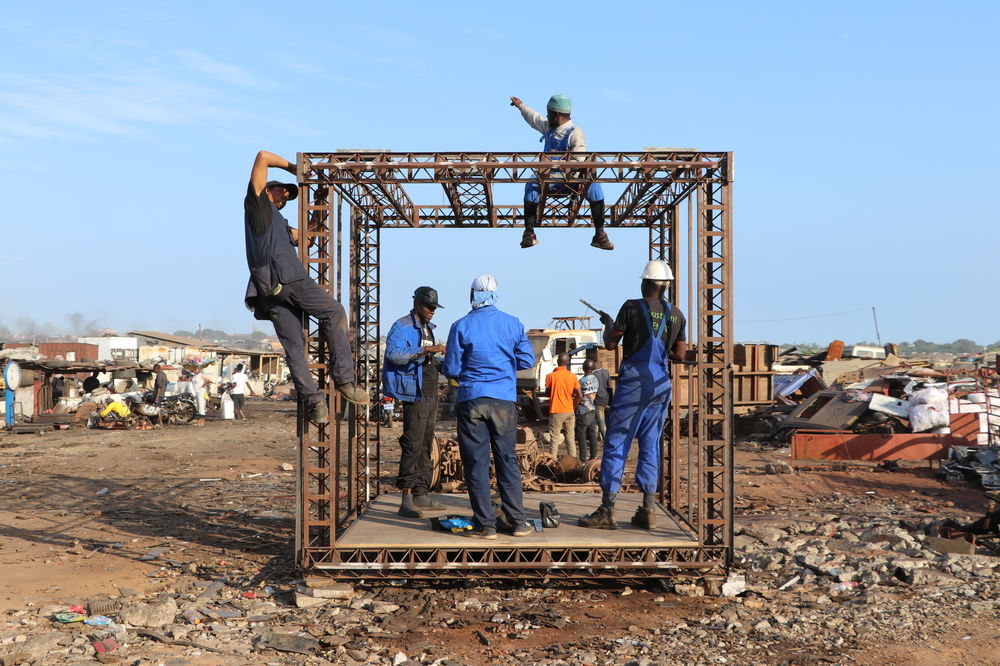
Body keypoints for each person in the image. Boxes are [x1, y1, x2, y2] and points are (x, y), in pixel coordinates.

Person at [242, 150, 369, 427]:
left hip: (270, 292)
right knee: (334, 313)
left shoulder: (281, 226)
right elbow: (262, 156)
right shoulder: (258, 206)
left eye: (289, 194)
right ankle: (345, 380)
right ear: (268, 189)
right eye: (282, 191)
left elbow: (307, 238)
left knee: (295, 349)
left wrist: (319, 202)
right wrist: (295, 171)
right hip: (288, 279)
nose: (286, 195)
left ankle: (314, 401)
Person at [579, 260, 687, 530]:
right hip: (661, 387)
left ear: (646, 283)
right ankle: (648, 510)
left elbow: (611, 342)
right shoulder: (676, 314)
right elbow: (680, 355)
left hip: (635, 385)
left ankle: (607, 510)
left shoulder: (631, 307)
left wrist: (609, 325)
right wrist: (662, 349)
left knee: (617, 443)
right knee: (650, 445)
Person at [442, 275, 536, 539]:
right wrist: (503, 366)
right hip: (503, 401)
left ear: (472, 294)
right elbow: (527, 360)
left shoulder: (460, 326)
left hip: (471, 399)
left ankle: (486, 526)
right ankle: (518, 522)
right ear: (495, 295)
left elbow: (451, 368)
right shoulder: (513, 324)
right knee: (507, 460)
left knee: (476, 464)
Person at [509, 94, 614, 251]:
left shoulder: (575, 133)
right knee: (531, 184)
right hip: (548, 182)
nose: (546, 116)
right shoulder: (549, 128)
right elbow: (534, 118)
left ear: (556, 115)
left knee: (593, 184)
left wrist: (562, 167)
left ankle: (600, 234)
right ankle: (529, 233)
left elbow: (579, 160)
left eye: (549, 113)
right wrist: (520, 106)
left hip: (569, 183)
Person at [383, 286, 449, 518]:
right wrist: (425, 349)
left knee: (425, 444)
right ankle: (406, 498)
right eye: (429, 307)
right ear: (417, 304)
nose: (432, 311)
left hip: (431, 395)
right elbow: (394, 354)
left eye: (434, 308)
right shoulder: (401, 327)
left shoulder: (429, 329)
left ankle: (421, 492)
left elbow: (432, 359)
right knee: (412, 444)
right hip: (415, 394)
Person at [544, 353, 580, 458]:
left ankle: (552, 462)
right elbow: (580, 395)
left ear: (557, 361)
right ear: (567, 362)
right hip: (569, 410)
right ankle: (573, 461)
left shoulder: (550, 376)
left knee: (554, 439)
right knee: (570, 438)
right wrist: (573, 406)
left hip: (556, 410)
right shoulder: (572, 376)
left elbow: (547, 392)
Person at [575, 360, 600, 463]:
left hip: (583, 410)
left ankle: (583, 459)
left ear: (583, 368)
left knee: (581, 437)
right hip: (592, 409)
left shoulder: (581, 381)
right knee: (592, 436)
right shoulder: (595, 379)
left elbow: (577, 395)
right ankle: (593, 457)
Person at [592, 358, 612, 441]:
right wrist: (611, 399)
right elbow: (610, 386)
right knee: (597, 419)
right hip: (606, 398)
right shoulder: (606, 372)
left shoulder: (593, 375)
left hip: (598, 400)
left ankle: (605, 439)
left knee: (601, 421)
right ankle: (596, 438)